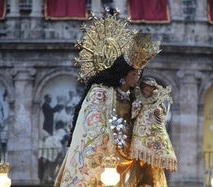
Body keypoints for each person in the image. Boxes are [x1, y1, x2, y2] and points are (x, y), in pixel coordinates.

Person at [54, 10, 161, 187]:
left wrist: (149, 114)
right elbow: (92, 125)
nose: (137, 77)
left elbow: (144, 123)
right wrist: (112, 141)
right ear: (124, 73)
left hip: (128, 153)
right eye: (134, 73)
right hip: (105, 154)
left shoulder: (135, 96)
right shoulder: (100, 92)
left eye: (140, 73)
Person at [130, 77, 177, 187]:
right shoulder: (137, 99)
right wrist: (136, 107)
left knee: (153, 164)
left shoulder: (157, 102)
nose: (148, 93)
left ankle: (151, 181)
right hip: (140, 133)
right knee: (139, 162)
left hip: (154, 133)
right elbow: (132, 116)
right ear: (141, 89)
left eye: (150, 91)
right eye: (146, 90)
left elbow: (162, 120)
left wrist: (158, 113)